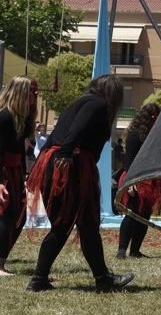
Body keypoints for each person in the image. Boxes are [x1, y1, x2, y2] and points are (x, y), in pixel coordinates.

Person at [26, 75, 133, 292]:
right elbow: (78, 128)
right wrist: (66, 153)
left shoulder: (82, 101)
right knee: (73, 223)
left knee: (80, 224)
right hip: (71, 165)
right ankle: (43, 279)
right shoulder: (97, 104)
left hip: (59, 161)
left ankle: (98, 278)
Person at [0, 76, 38, 276]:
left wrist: (25, 175)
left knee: (18, 217)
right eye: (31, 91)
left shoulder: (21, 120)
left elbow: (21, 153)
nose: (35, 95)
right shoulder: (4, 117)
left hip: (14, 173)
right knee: (6, 216)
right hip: (4, 172)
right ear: (20, 93)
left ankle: (2, 260)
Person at [115, 103, 161, 259]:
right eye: (151, 116)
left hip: (150, 179)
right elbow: (128, 160)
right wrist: (131, 182)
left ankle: (135, 250)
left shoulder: (156, 137)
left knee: (145, 216)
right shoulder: (135, 135)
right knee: (132, 213)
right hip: (134, 178)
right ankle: (122, 250)